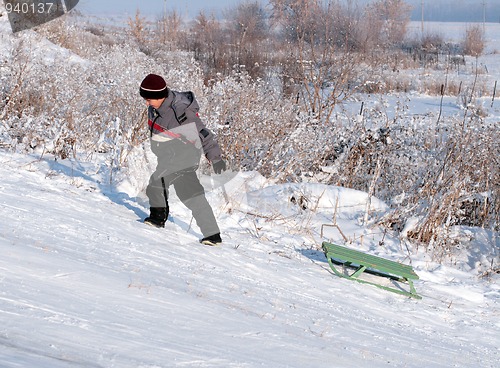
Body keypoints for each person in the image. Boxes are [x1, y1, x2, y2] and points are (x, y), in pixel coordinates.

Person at [139, 74, 226, 246]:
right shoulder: (155, 108)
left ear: (160, 96)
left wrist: (215, 158)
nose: (147, 103)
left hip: (182, 155)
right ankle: (213, 235)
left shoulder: (180, 112)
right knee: (190, 195)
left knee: (157, 183)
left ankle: (157, 219)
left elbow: (203, 134)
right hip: (169, 155)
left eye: (149, 99)